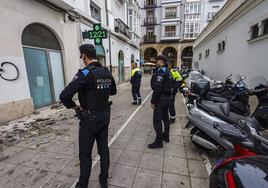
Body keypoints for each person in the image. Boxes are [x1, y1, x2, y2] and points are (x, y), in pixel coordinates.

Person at [59, 44, 117, 188]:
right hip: (104, 117)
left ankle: (83, 184)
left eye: (81, 57)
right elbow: (113, 91)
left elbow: (64, 95)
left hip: (89, 120)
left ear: (84, 56)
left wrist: (74, 106)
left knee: (85, 154)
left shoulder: (85, 73)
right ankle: (103, 180)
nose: (82, 60)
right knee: (104, 150)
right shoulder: (106, 71)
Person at [148, 55, 173, 149]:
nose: (156, 62)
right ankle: (166, 136)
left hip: (160, 99)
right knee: (165, 118)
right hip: (167, 99)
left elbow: (157, 88)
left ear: (161, 61)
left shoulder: (161, 72)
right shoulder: (168, 71)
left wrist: (153, 101)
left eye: (157, 61)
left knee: (157, 120)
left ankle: (159, 142)